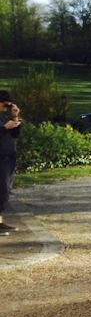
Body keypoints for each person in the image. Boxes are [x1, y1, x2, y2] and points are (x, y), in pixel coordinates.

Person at [0, 89, 21, 236]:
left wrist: (15, 118)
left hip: (8, 158)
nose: (6, 108)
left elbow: (15, 135)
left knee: (5, 190)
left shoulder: (1, 117)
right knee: (3, 189)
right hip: (1, 158)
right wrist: (3, 128)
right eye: (5, 105)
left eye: (9, 105)